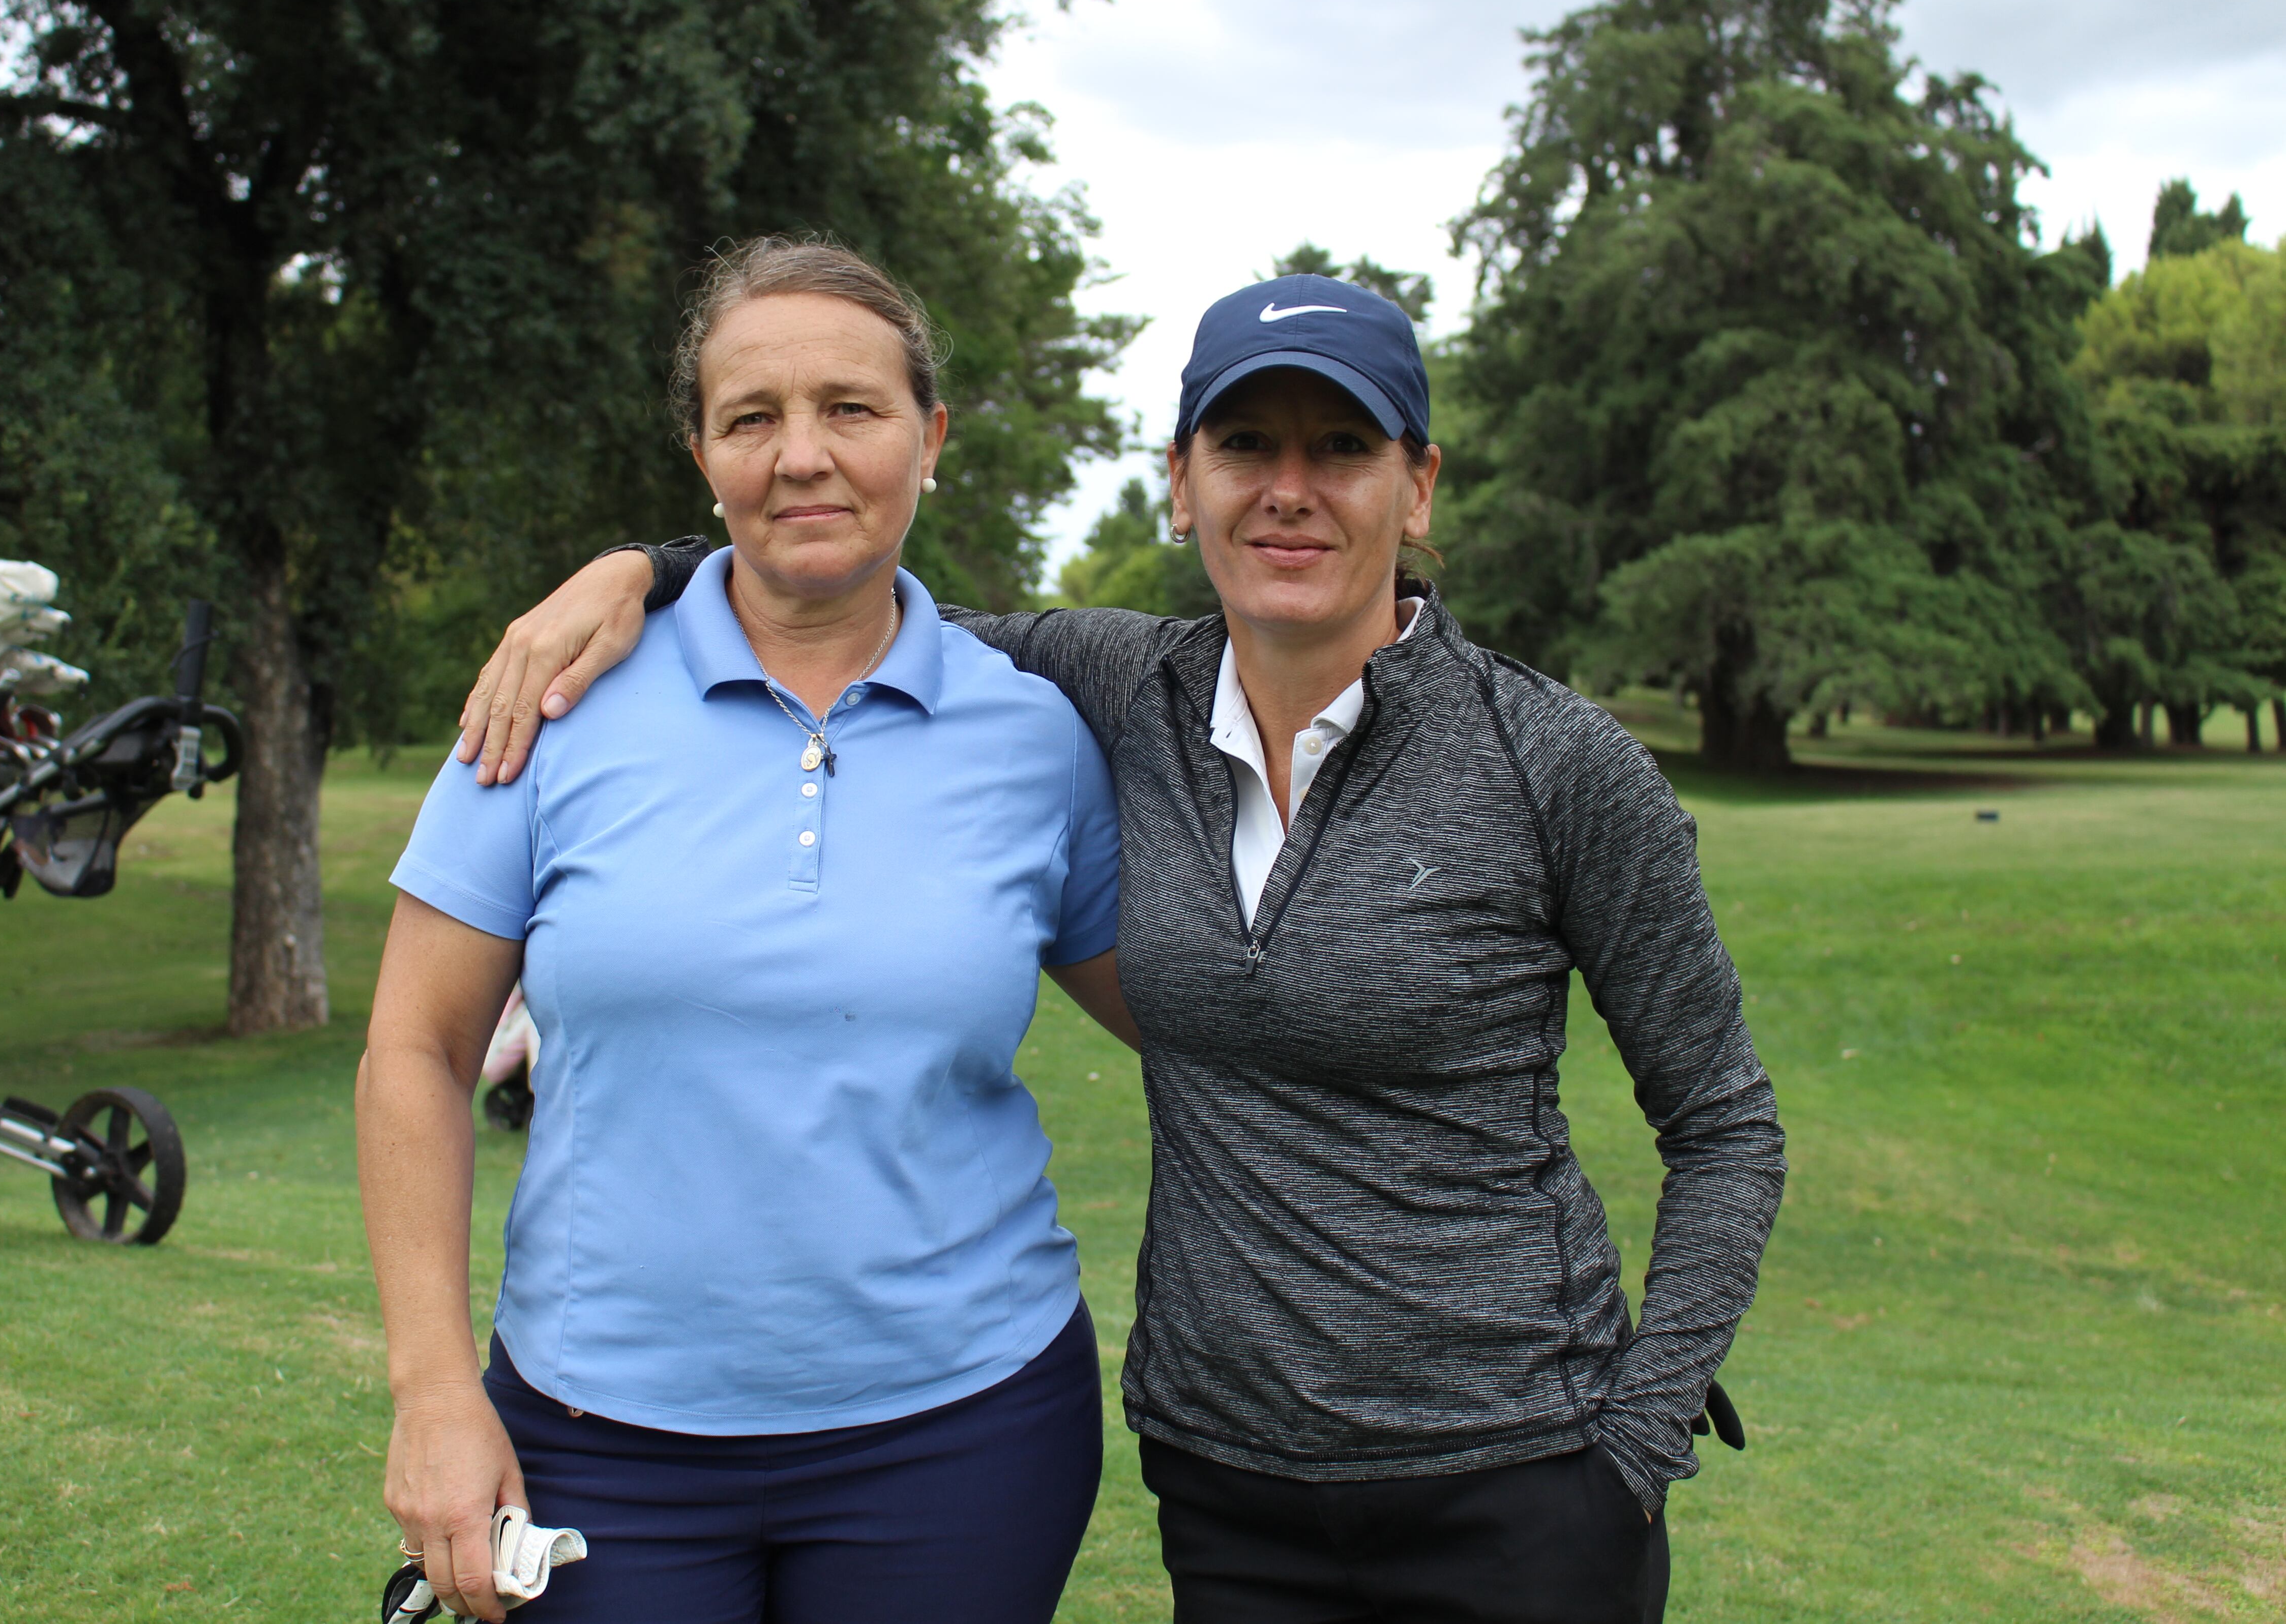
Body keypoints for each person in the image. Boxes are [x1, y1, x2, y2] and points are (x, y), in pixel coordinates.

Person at [459, 269, 1789, 1623]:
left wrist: (1638, 1441)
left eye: (1341, 448)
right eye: (1244, 446)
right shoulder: (1113, 687)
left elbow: (1726, 1118)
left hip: (1523, 1482)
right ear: (1180, 478)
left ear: (1420, 486)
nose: (1290, 489)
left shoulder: (1557, 762)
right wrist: (641, 571)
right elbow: (826, 582)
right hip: (1228, 1488)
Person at [359, 237, 1138, 1624]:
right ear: (702, 451)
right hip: (596, 1436)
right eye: (752, 418)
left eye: (851, 408)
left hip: (966, 1430)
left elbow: (1198, 1021)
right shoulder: (547, 701)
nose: (804, 457)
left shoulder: (1033, 736)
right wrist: (431, 1393)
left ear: (930, 435)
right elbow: (417, 1049)